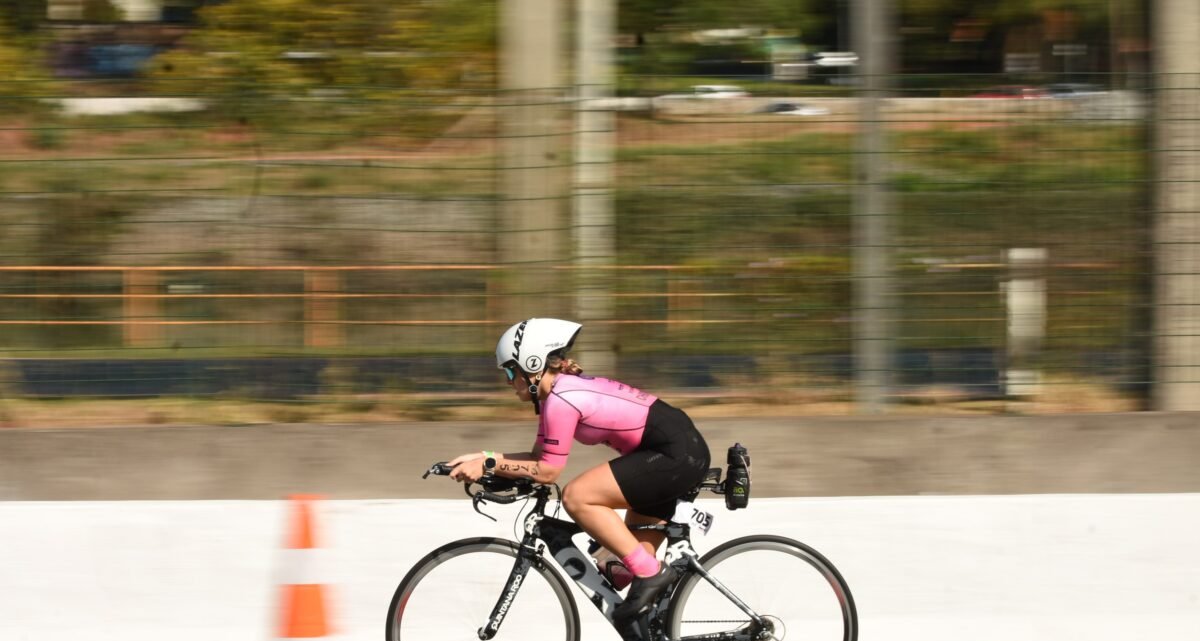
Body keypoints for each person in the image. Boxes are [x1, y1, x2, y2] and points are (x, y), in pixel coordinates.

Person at [448, 318, 711, 622]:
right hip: (670, 451)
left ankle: (652, 573)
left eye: (509, 370)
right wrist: (484, 456)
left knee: (577, 497)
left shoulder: (561, 399)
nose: (508, 381)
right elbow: (538, 456)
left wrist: (489, 465)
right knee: (624, 574)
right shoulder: (559, 392)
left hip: (673, 454)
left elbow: (547, 471)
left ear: (531, 364)